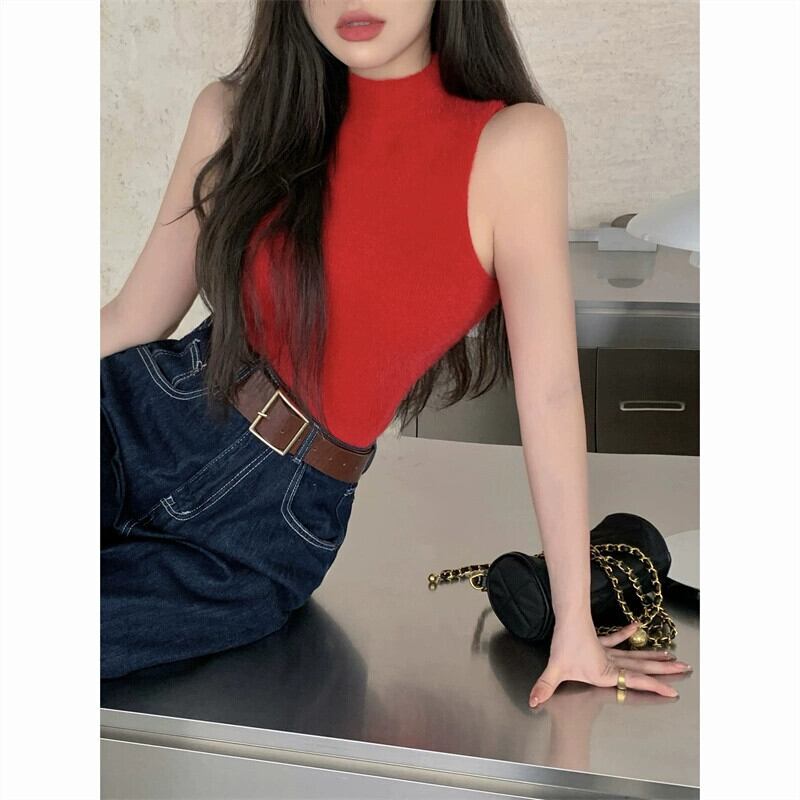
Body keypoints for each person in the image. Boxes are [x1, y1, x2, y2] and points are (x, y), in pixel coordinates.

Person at [101, 0, 690, 701]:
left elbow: (552, 392)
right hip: (141, 417)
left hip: (265, 527)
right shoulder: (236, 114)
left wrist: (573, 626)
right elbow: (131, 319)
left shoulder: (513, 145)